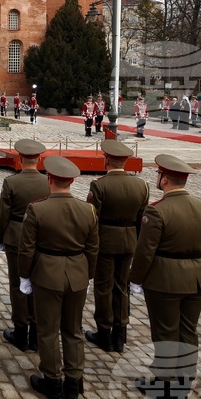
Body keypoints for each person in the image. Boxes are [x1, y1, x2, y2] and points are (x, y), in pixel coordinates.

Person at [129, 154, 201, 399]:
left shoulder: (157, 211)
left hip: (165, 279)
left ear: (165, 179)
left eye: (159, 175)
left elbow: (145, 251)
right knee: (188, 329)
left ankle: (165, 385)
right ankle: (185, 380)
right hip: (199, 277)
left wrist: (136, 279)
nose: (158, 179)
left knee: (166, 330)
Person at [19, 156, 99, 399]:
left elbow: (27, 249)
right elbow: (93, 248)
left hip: (47, 275)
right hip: (77, 274)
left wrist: (24, 275)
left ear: (50, 180)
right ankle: (73, 384)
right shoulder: (88, 210)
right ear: (72, 181)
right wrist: (87, 274)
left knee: (48, 330)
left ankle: (53, 381)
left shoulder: (37, 208)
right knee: (73, 330)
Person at [84, 140, 150, 353]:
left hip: (105, 241)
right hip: (130, 240)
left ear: (106, 160)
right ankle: (120, 334)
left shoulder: (99, 185)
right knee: (122, 286)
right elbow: (142, 218)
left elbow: (91, 218)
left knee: (104, 287)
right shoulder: (141, 185)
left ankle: (104, 332)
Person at [0, 139, 49, 353]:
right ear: (39, 159)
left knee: (18, 284)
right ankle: (36, 333)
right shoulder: (48, 182)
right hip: (41, 238)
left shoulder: (11, 182)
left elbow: (4, 214)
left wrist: (1, 237)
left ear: (20, 158)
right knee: (37, 284)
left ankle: (20, 331)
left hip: (16, 235)